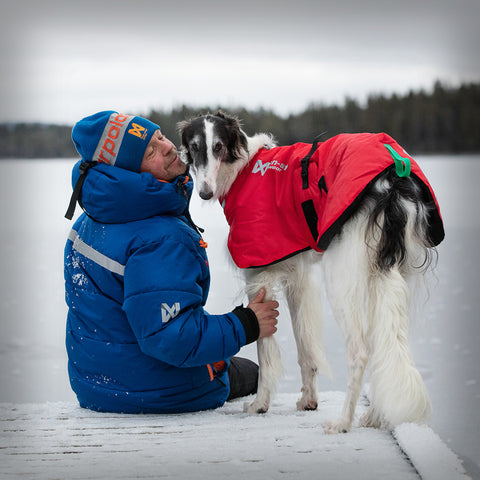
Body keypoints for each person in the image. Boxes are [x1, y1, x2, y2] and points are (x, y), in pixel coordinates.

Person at [64, 111, 279, 414]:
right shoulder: (160, 237)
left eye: (159, 137)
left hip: (95, 385)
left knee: (234, 365)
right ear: (129, 171)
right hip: (156, 392)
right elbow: (171, 338)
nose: (167, 147)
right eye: (150, 151)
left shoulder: (90, 221)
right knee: (252, 374)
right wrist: (247, 324)